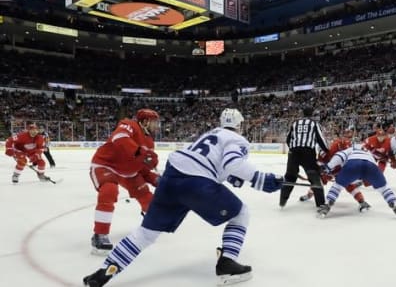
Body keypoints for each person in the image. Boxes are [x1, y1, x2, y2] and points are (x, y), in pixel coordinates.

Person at [82, 108, 285, 287]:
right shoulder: (237, 139)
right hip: (196, 183)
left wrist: (235, 178)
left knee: (146, 233)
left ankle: (104, 272)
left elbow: (218, 165)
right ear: (239, 125)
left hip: (172, 176)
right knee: (241, 213)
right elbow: (232, 162)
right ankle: (227, 264)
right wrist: (262, 179)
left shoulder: (211, 133)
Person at [89, 109, 161, 255]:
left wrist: (154, 179)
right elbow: (119, 137)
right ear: (145, 121)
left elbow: (141, 168)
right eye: (154, 122)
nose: (157, 126)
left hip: (129, 173)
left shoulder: (149, 141)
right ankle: (100, 234)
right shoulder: (129, 124)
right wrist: (141, 153)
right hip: (106, 165)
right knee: (109, 191)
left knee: (148, 199)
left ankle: (151, 223)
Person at [317, 146, 396, 219]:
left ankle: (327, 205)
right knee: (384, 188)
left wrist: (327, 167)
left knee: (337, 186)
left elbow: (339, 157)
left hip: (353, 164)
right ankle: (395, 206)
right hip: (371, 166)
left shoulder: (350, 149)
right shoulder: (369, 151)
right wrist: (392, 161)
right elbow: (382, 158)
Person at [299, 128, 369, 211]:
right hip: (329, 169)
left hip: (340, 170)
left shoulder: (349, 148)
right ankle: (309, 194)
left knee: (349, 184)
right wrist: (321, 169)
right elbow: (320, 162)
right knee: (319, 181)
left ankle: (362, 201)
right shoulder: (328, 150)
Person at [280, 106, 329, 208]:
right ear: (312, 115)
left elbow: (288, 139)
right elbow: (321, 140)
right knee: (314, 177)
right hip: (308, 153)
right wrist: (327, 151)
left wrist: (293, 149)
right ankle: (320, 204)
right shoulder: (315, 124)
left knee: (290, 176)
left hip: (293, 152)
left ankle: (282, 201)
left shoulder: (295, 123)